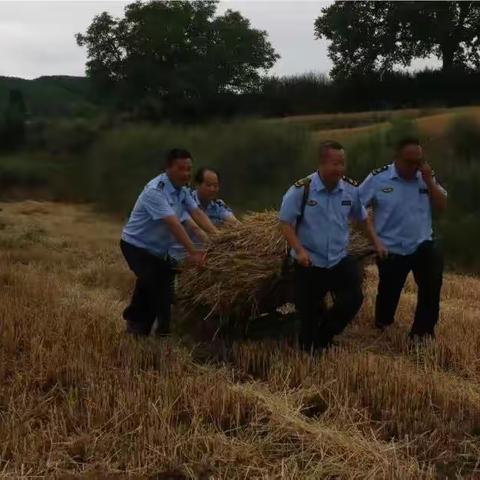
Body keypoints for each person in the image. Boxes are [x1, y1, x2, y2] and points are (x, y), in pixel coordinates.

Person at [279, 140, 385, 352]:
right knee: (307, 319)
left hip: (338, 259)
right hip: (309, 263)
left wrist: (377, 242)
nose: (339, 169)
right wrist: (299, 251)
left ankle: (327, 333)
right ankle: (311, 346)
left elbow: (362, 219)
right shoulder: (302, 190)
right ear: (321, 163)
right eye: (335, 164)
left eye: (342, 164)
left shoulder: (350, 190)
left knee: (353, 299)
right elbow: (285, 223)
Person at [120, 148, 218, 336]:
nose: (186, 174)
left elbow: (197, 213)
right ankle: (155, 332)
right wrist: (194, 252)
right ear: (168, 168)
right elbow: (174, 224)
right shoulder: (155, 191)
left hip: (157, 251)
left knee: (155, 283)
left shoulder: (183, 191)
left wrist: (219, 238)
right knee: (158, 289)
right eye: (181, 169)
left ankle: (136, 325)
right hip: (135, 246)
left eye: (189, 169)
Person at [359, 137, 448, 340]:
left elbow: (443, 206)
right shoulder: (378, 179)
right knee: (389, 292)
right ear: (396, 158)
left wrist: (429, 182)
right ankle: (383, 322)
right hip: (390, 247)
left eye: (419, 161)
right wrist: (374, 240)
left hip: (423, 243)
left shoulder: (425, 176)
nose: (414, 166)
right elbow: (356, 209)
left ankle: (422, 334)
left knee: (431, 286)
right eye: (409, 162)